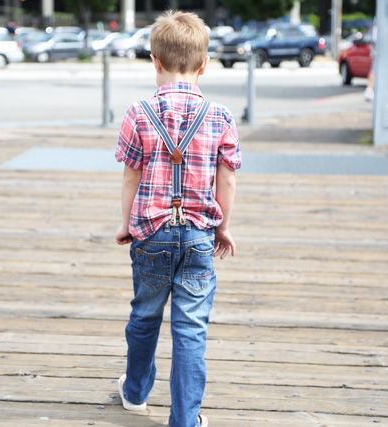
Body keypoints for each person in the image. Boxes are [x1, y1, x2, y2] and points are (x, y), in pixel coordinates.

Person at [114, 10, 241, 427]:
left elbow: (131, 174)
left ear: (154, 60)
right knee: (190, 330)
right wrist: (222, 227)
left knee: (145, 316)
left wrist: (124, 223)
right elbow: (228, 181)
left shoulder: (138, 112)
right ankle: (185, 420)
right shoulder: (220, 116)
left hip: (151, 233)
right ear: (205, 65)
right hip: (200, 235)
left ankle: (134, 393)